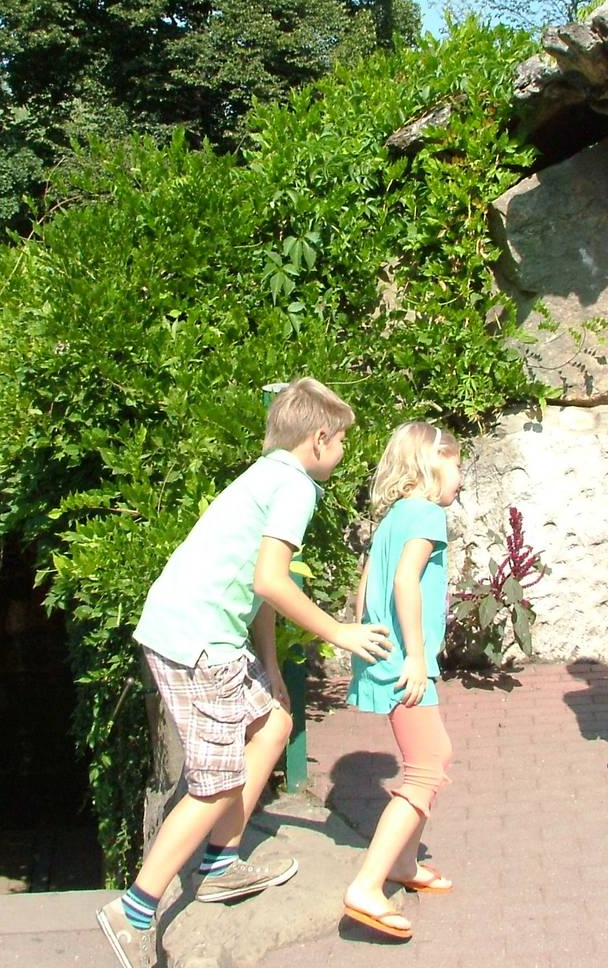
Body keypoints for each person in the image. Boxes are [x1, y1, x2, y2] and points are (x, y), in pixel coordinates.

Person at [96, 378, 392, 968]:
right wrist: (340, 632)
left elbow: (256, 587)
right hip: (197, 641)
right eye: (342, 444)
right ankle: (133, 910)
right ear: (319, 439)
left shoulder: (265, 473)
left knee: (274, 724)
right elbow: (271, 582)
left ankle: (219, 864)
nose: (344, 455)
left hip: (195, 631)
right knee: (215, 782)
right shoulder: (296, 487)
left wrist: (271, 668)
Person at [341, 422, 462, 940]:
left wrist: (365, 639)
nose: (460, 476)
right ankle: (367, 886)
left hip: (384, 654)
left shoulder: (393, 515)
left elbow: (369, 579)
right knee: (426, 769)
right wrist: (416, 655)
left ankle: (405, 863)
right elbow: (404, 581)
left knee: (434, 759)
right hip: (404, 660)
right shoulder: (427, 512)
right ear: (432, 464)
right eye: (457, 464)